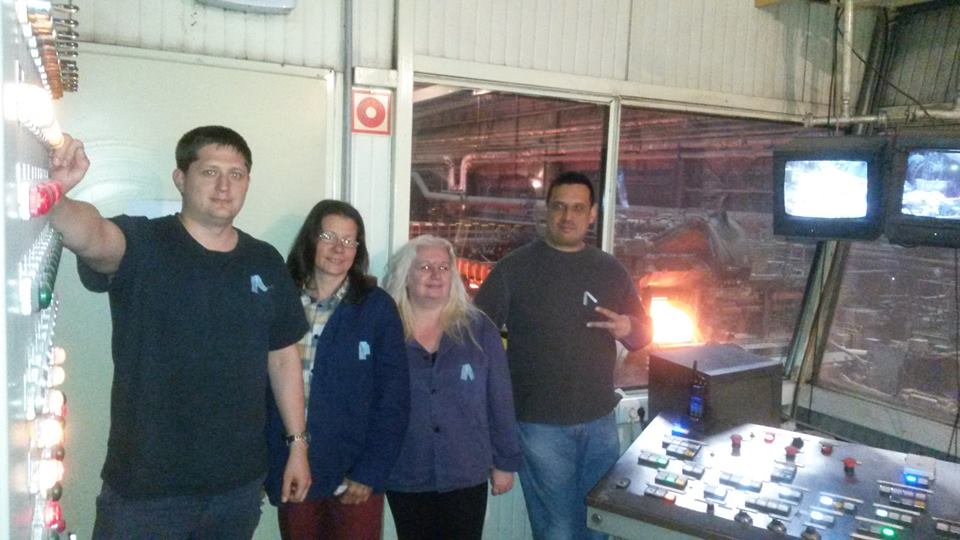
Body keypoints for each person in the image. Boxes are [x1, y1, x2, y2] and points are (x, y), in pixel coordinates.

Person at [48, 127, 312, 539]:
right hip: (146, 491)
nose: (224, 186)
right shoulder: (143, 243)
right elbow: (90, 235)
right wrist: (56, 196)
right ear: (180, 178)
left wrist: (297, 444)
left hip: (237, 489)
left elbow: (282, 357)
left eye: (236, 174)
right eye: (209, 172)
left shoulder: (264, 260)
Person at [474, 171, 653, 540]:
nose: (567, 216)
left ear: (592, 214)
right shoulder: (514, 269)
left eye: (577, 208)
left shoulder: (610, 269)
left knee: (598, 526)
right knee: (557, 530)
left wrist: (628, 328)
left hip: (601, 422)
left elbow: (644, 335)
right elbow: (476, 338)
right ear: (546, 210)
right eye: (559, 207)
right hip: (539, 426)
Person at [264, 200, 410, 540]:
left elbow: (394, 399)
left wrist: (370, 471)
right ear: (310, 239)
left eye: (349, 240)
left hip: (354, 473)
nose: (339, 248)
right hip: (291, 464)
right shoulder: (280, 299)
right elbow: (258, 387)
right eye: (329, 236)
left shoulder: (376, 307)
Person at [382, 235, 522, 540]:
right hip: (406, 468)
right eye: (425, 267)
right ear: (405, 276)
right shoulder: (385, 329)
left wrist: (504, 462)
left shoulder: (479, 329)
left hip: (465, 470)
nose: (435, 275)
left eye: (443, 267)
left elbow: (499, 399)